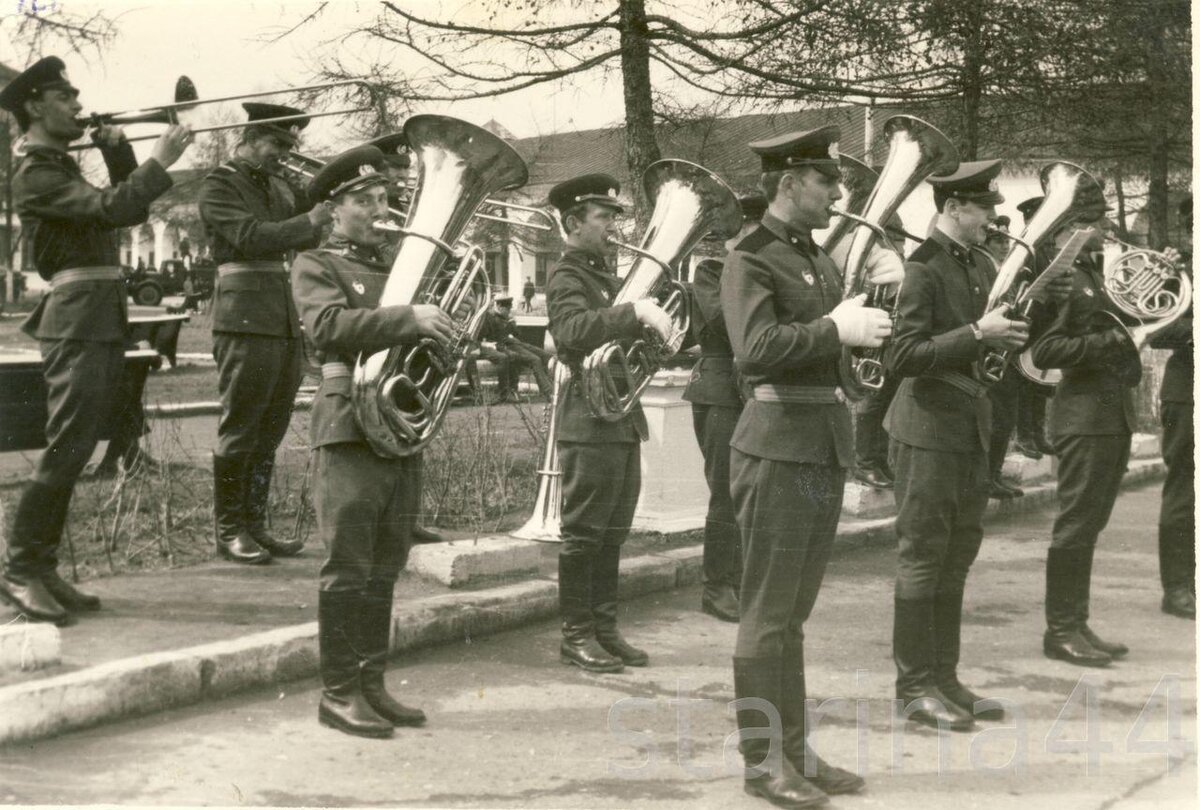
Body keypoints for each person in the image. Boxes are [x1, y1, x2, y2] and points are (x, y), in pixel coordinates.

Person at [723, 126, 901, 806]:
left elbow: (835, 352)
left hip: (819, 440)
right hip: (775, 445)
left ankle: (792, 751)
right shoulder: (752, 256)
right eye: (826, 181)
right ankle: (762, 761)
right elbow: (757, 350)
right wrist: (838, 329)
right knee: (768, 612)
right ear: (789, 181)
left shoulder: (817, 258)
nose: (837, 192)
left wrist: (875, 320)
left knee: (791, 615)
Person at [0, 56, 191, 624]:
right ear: (34, 105)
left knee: (79, 446)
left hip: (96, 315)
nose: (80, 105)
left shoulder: (58, 166)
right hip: (77, 318)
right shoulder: (36, 172)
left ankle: (42, 565)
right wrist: (160, 158)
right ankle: (20, 570)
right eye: (67, 96)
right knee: (67, 446)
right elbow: (115, 207)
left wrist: (116, 151)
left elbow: (121, 214)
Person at [291, 145, 455, 738]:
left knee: (386, 564)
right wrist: (408, 317)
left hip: (398, 426)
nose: (378, 210)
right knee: (348, 567)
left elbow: (416, 334)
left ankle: (371, 682)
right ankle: (338, 694)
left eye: (384, 199)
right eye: (363, 201)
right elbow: (326, 327)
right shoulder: (316, 263)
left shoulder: (396, 266)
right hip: (347, 425)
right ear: (334, 210)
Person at [885, 159, 1044, 731]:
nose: (992, 222)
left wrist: (1010, 329)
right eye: (984, 211)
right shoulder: (922, 267)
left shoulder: (978, 262)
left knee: (956, 559)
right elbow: (902, 358)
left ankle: (944, 677)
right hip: (927, 429)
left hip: (969, 425)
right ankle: (913, 688)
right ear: (954, 208)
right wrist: (978, 333)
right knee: (923, 558)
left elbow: (982, 343)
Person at [199, 102, 331, 565]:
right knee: (242, 425)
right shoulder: (219, 183)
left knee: (270, 427)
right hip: (243, 316)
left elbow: (308, 234)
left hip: (281, 316)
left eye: (289, 145)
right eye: (277, 144)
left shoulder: (277, 185)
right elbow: (251, 236)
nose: (284, 154)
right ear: (250, 138)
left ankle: (254, 525)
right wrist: (306, 223)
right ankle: (229, 528)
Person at [546, 173, 664, 675]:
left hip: (618, 415)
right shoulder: (567, 274)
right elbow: (571, 332)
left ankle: (604, 628)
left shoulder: (607, 277)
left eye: (616, 215)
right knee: (585, 533)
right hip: (589, 416)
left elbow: (620, 338)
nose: (615, 225)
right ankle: (576, 635)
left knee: (613, 532)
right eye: (604, 216)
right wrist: (632, 311)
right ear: (574, 222)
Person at [1030, 188, 1143, 667]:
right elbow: (1045, 352)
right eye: (1096, 222)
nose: (1105, 230)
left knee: (1090, 524)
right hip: (1083, 418)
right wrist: (1109, 341)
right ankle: (1060, 630)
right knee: (1076, 524)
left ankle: (1076, 622)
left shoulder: (1094, 273)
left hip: (1110, 416)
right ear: (1073, 227)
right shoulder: (1062, 279)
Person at [683, 193, 765, 623]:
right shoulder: (712, 269)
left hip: (750, 389)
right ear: (741, 230)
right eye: (756, 231)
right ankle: (717, 587)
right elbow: (724, 322)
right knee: (726, 491)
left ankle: (741, 580)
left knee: (751, 490)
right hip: (718, 390)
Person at [1151, 195, 1194, 620]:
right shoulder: (1174, 270)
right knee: (1185, 490)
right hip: (1188, 392)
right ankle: (1178, 586)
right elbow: (1153, 327)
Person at [851, 215, 911, 490]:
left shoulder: (900, 264)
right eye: (895, 240)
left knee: (884, 401)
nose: (900, 246)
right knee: (870, 403)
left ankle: (878, 461)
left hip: (893, 343)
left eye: (901, 240)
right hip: (871, 343)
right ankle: (864, 464)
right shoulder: (870, 265)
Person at [1013, 195, 1057, 459]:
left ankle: (1037, 433)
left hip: (1045, 324)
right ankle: (1024, 436)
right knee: (1025, 382)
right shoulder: (1025, 248)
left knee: (1040, 379)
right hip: (1029, 323)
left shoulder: (1048, 248)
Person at [480, 294, 554, 399]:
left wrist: (512, 324)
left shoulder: (505, 318)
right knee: (535, 360)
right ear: (499, 306)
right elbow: (487, 338)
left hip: (514, 343)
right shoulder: (489, 318)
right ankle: (548, 392)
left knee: (546, 356)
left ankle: (552, 387)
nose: (509, 311)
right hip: (504, 347)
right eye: (507, 309)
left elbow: (517, 334)